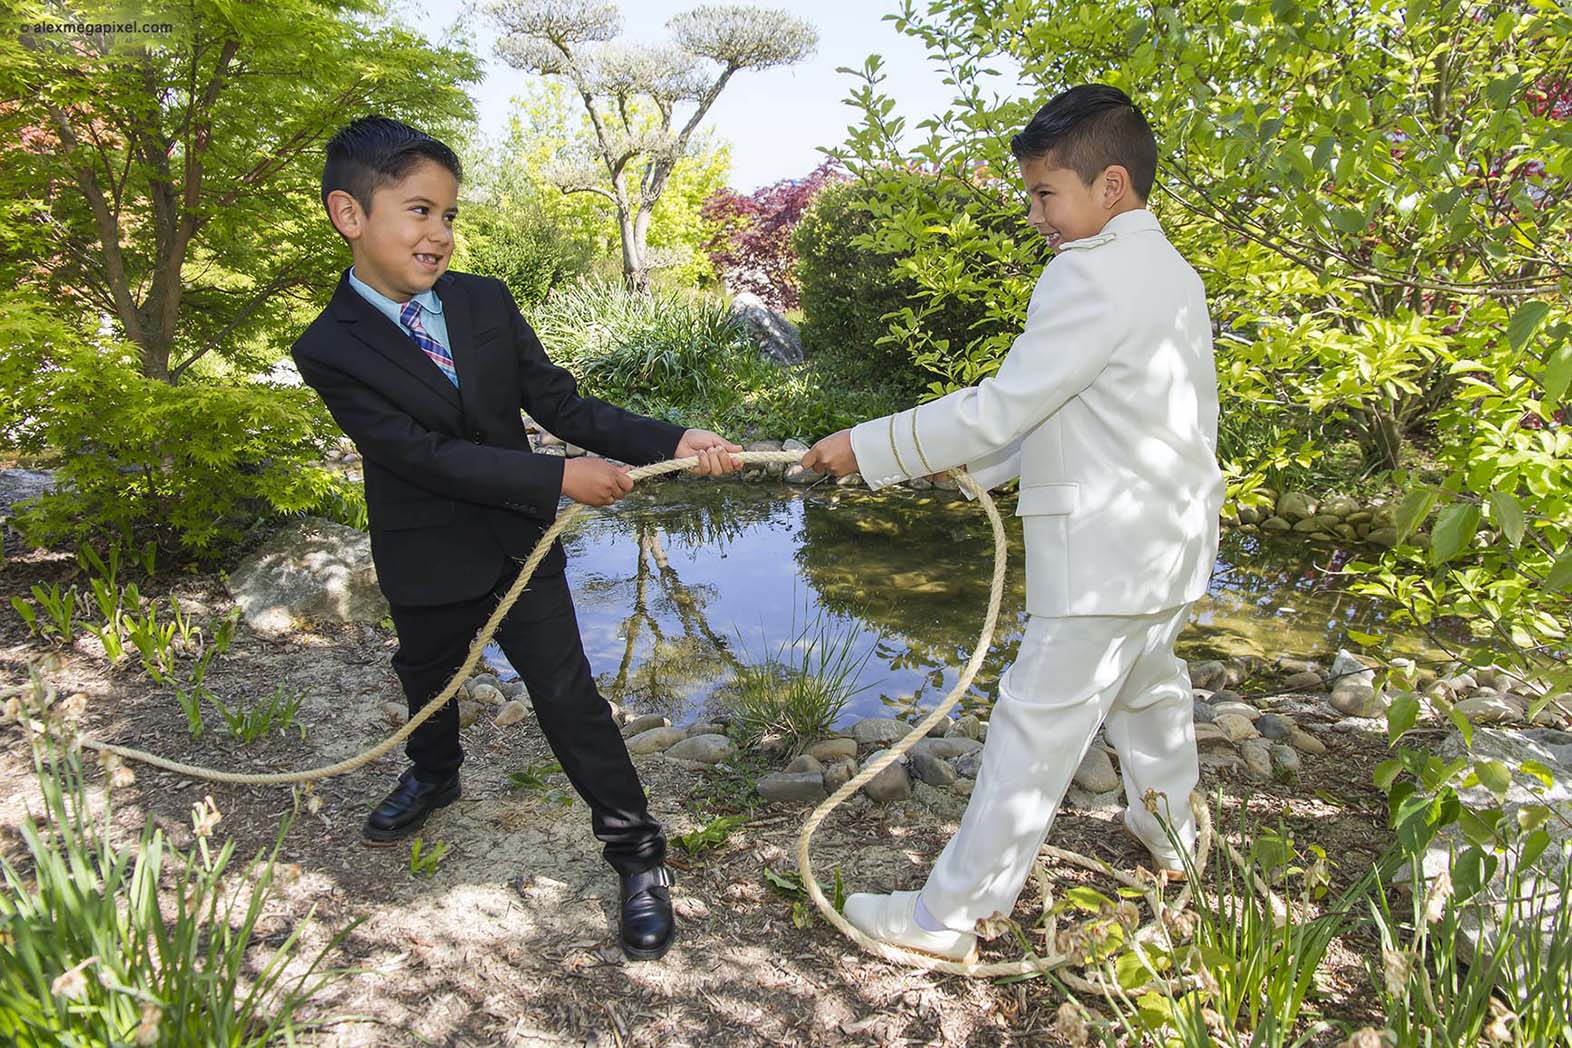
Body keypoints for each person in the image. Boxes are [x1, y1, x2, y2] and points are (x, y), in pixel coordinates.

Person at [292, 115, 742, 961]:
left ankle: (637, 854)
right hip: (425, 547)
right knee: (427, 674)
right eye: (420, 211)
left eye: (450, 217)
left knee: (568, 694)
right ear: (349, 214)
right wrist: (557, 477)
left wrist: (670, 440)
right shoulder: (327, 346)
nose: (440, 235)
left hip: (518, 547)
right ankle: (435, 772)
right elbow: (417, 455)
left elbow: (562, 406)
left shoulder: (483, 301)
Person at [801, 85, 1224, 962]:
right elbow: (1092, 410)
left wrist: (868, 448)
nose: (1034, 214)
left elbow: (1004, 407)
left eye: (1044, 194)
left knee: (1032, 732)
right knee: (1149, 694)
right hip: (1170, 550)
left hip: (1104, 559)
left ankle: (948, 920)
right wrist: (980, 466)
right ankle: (1176, 842)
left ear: (1111, 186)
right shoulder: (1171, 272)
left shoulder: (1090, 273)